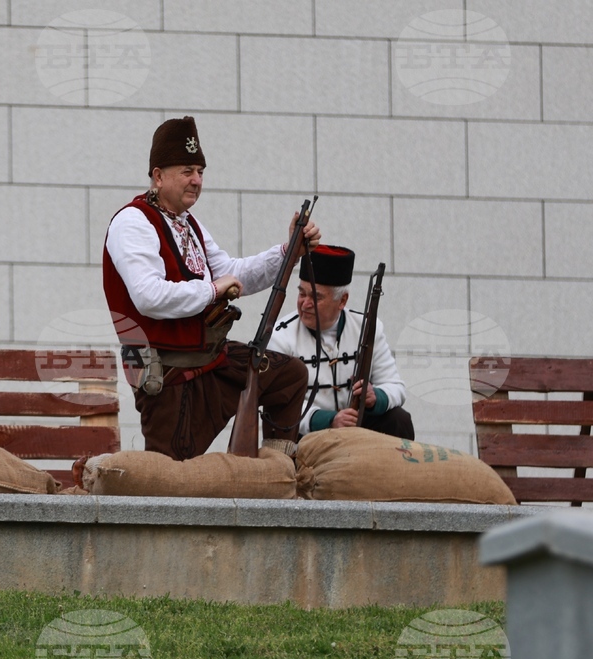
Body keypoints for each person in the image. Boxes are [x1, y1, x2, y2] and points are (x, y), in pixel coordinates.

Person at [103, 115, 321, 460]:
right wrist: (213, 290)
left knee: (289, 377)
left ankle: (273, 474)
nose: (197, 180)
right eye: (187, 171)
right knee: (169, 488)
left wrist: (287, 250)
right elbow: (148, 296)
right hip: (168, 377)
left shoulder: (189, 225)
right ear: (158, 176)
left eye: (200, 172)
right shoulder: (132, 222)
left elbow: (233, 273)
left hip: (213, 362)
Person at [266, 244, 415, 439]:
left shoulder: (368, 328)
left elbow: (395, 386)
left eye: (316, 297)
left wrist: (375, 397)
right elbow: (280, 405)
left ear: (342, 300)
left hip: (356, 427)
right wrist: (329, 420)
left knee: (398, 419)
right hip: (308, 435)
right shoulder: (280, 336)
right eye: (302, 293)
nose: (305, 303)